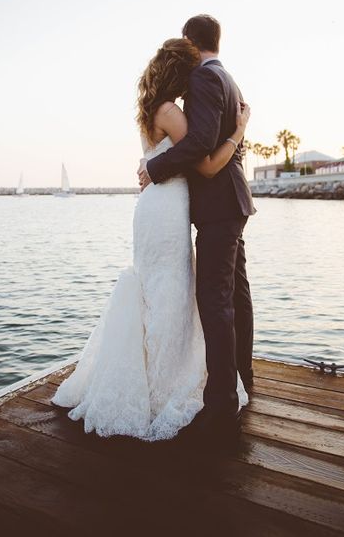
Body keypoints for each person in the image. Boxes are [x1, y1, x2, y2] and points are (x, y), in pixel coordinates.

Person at [51, 37, 251, 442]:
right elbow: (207, 161)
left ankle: (153, 378)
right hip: (167, 210)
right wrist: (239, 131)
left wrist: (154, 165)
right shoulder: (172, 112)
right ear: (180, 73)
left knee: (156, 288)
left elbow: (164, 157)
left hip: (153, 209)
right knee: (173, 290)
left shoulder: (149, 110)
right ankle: (168, 384)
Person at [139, 15, 257, 444]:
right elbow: (231, 140)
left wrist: (154, 168)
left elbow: (202, 141)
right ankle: (242, 376)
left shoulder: (205, 80)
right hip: (233, 200)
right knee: (236, 295)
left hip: (218, 204)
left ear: (191, 42)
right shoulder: (228, 80)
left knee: (215, 299)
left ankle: (223, 404)